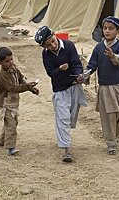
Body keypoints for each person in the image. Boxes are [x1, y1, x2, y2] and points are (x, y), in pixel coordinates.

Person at [35, 25, 87, 163]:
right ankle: (66, 150)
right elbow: (51, 73)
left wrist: (78, 75)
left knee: (71, 116)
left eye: (53, 40)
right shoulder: (46, 55)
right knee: (62, 117)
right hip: (60, 89)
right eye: (48, 45)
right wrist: (59, 69)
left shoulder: (69, 46)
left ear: (54, 34)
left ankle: (64, 138)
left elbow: (76, 63)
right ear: (44, 47)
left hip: (74, 86)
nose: (53, 45)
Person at [79, 16, 119, 155]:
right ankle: (111, 143)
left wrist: (113, 56)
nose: (107, 31)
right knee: (108, 116)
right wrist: (85, 75)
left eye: (111, 29)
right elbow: (92, 65)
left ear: (118, 31)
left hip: (118, 86)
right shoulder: (99, 48)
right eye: (105, 28)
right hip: (105, 87)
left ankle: (115, 136)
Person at [0, 46, 39, 156]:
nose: (10, 62)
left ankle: (2, 141)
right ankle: (11, 147)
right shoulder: (2, 76)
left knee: (12, 123)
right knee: (11, 125)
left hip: (14, 103)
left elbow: (21, 79)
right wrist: (26, 86)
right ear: (0, 63)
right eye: (7, 61)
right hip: (6, 104)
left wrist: (31, 88)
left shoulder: (14, 69)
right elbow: (13, 88)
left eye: (11, 59)